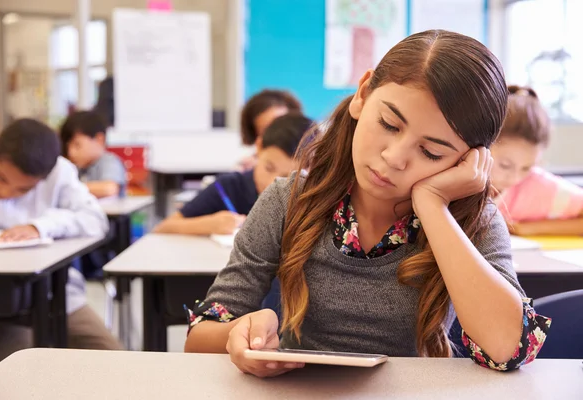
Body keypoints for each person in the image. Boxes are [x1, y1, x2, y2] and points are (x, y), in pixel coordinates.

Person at [183, 30, 550, 377]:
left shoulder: (472, 220)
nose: (394, 157)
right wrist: (237, 334)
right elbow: (199, 338)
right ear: (362, 94)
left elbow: (507, 349)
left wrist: (434, 206)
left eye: (431, 152)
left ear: (466, 162)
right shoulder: (290, 199)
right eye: (389, 124)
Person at [0, 119, 123, 369]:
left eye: (23, 189)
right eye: (1, 179)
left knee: (115, 361)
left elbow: (95, 220)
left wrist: (40, 226)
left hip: (55, 292)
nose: (7, 193)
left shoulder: (60, 172)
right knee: (17, 374)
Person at [154, 114, 315, 235]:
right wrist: (210, 224)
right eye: (269, 168)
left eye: (288, 177)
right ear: (258, 147)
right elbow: (163, 227)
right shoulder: (229, 186)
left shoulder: (312, 197)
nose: (274, 182)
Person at [491, 85, 583, 236]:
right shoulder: (454, 179)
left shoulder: (534, 185)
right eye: (505, 165)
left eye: (526, 168)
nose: (515, 178)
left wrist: (522, 229)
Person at [60, 110, 127, 199]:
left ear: (99, 140)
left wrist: (70, 188)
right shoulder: (77, 167)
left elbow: (109, 189)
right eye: (67, 147)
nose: (71, 152)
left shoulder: (109, 161)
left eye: (77, 145)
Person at [238, 90, 303, 170]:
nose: (276, 134)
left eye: (281, 125)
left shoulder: (310, 165)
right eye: (266, 129)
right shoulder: (246, 171)